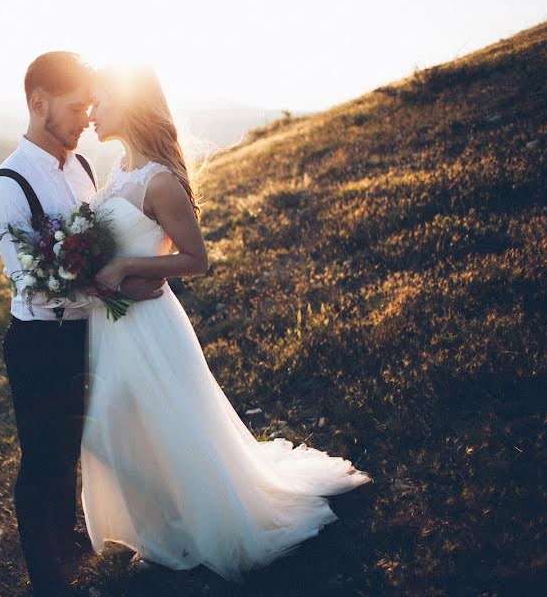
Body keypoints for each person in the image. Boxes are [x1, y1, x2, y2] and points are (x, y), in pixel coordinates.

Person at [80, 64, 373, 583]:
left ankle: (196, 522)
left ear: (126, 102)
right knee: (123, 429)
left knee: (134, 424)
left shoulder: (159, 180)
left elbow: (196, 260)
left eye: (99, 100)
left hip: (150, 326)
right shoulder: (120, 170)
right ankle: (163, 521)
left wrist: (128, 267)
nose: (91, 112)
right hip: (114, 325)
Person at [0, 52, 165, 596]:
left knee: (110, 439)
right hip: (42, 342)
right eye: (77, 106)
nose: (89, 116)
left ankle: (116, 540)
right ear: (39, 104)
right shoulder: (6, 187)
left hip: (98, 331)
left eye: (91, 104)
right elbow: (31, 282)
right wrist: (118, 284)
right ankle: (51, 579)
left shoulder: (83, 167)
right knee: (47, 462)